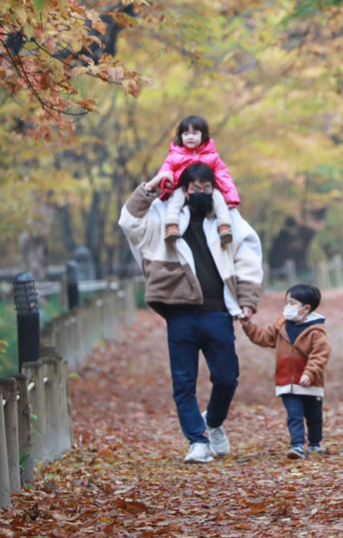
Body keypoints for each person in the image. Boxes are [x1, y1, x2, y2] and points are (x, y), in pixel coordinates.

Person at [118, 162, 263, 463]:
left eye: (206, 188)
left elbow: (248, 256)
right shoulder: (161, 216)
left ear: (214, 189)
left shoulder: (229, 220)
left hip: (218, 312)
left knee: (227, 378)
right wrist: (152, 185)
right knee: (183, 382)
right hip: (179, 313)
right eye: (194, 188)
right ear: (184, 189)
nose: (200, 193)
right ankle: (197, 440)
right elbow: (129, 223)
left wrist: (248, 300)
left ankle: (213, 422)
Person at [240, 284, 331, 460]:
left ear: (306, 309)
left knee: (314, 417)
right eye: (286, 302)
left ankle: (314, 444)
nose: (287, 307)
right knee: (294, 415)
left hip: (310, 383)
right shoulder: (280, 325)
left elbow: (320, 354)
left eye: (292, 303)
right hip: (286, 382)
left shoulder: (316, 331)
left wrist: (309, 373)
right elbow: (264, 338)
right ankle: (297, 445)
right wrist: (248, 326)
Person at [143, 115, 241, 245]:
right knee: (175, 200)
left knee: (218, 198)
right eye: (186, 134)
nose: (190, 137)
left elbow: (223, 176)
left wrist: (231, 195)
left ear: (203, 136)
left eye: (195, 133)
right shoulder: (175, 156)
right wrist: (165, 183)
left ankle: (224, 226)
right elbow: (165, 171)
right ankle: (172, 225)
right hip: (182, 188)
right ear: (180, 136)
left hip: (206, 189)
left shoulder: (212, 156)